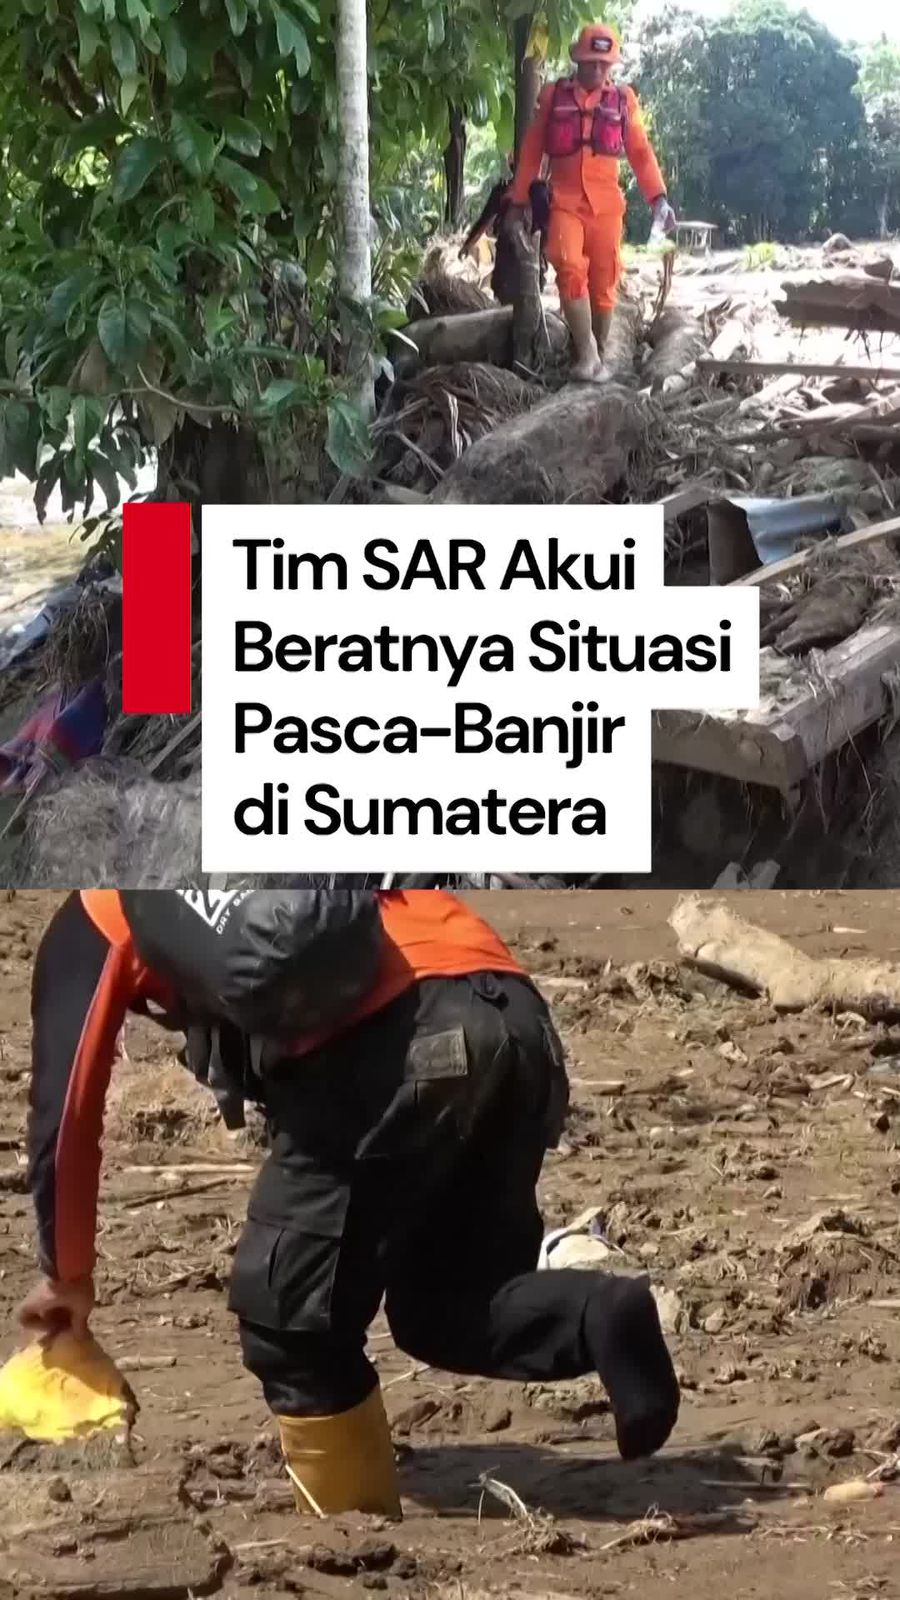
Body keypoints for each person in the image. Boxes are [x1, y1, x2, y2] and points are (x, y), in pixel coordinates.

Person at [18, 889, 679, 1518]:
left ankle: (352, 1528)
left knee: (293, 1326)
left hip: (398, 1037)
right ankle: (598, 1313)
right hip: (515, 1017)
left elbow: (65, 1112)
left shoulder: (98, 912)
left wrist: (67, 1276)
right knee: (449, 1307)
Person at [507, 23, 676, 381]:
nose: (597, 69)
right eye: (590, 62)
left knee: (604, 284)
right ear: (578, 60)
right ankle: (587, 355)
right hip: (564, 200)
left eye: (604, 64)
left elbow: (641, 152)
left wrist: (659, 199)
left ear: (611, 65)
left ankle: (594, 351)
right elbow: (532, 150)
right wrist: (518, 201)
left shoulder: (624, 101)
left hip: (607, 206)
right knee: (567, 263)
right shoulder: (553, 96)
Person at [460, 157, 550, 305]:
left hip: (532, 259)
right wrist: (467, 245)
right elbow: (485, 219)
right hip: (507, 258)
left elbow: (547, 227)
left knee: (528, 301)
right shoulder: (502, 191)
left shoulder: (540, 193)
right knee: (506, 299)